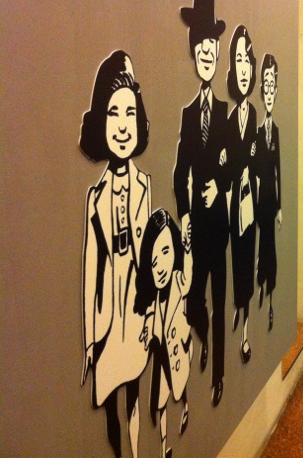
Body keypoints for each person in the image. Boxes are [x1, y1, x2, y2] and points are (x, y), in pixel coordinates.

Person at [79, 50, 150, 458]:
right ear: (101, 123)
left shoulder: (144, 186)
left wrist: (152, 315)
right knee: (109, 401)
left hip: (135, 310)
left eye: (129, 113)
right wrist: (91, 338)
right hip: (109, 317)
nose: (122, 125)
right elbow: (91, 270)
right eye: (113, 113)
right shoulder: (96, 197)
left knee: (135, 392)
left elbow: (149, 259)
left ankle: (136, 451)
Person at [174, 0, 230, 407]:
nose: (207, 52)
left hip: (220, 225)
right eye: (202, 47)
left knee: (219, 295)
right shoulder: (189, 114)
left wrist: (219, 184)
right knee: (194, 298)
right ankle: (204, 334)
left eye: (213, 45)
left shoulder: (225, 112)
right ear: (194, 53)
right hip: (196, 225)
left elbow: (234, 165)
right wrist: (185, 216)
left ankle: (219, 377)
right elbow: (180, 172)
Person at [135, 209, 193, 458]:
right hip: (161, 356)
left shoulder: (178, 281)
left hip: (178, 350)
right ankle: (163, 447)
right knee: (160, 404)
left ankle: (186, 407)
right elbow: (150, 323)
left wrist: (188, 250)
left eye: (166, 251)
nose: (159, 267)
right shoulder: (153, 300)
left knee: (179, 386)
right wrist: (147, 333)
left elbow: (188, 277)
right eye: (154, 260)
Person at [227, 24, 258, 364]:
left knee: (247, 261)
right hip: (232, 205)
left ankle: (246, 325)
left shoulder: (254, 118)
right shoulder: (230, 117)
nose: (244, 68)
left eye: (247, 60)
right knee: (236, 261)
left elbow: (256, 160)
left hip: (249, 203)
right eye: (239, 61)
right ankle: (239, 306)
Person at [255, 54, 282, 332]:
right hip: (257, 202)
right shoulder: (257, 131)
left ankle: (270, 295)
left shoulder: (275, 131)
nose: (270, 92)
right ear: (262, 91)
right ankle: (261, 283)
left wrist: (281, 206)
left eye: (274, 86)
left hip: (271, 202)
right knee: (261, 247)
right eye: (267, 86)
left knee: (270, 247)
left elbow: (279, 171)